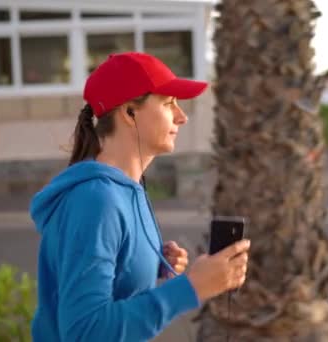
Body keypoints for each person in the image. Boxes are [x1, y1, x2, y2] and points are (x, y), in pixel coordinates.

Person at [29, 52, 250, 342]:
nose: (181, 117)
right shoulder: (96, 201)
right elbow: (85, 332)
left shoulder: (127, 190)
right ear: (129, 112)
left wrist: (150, 260)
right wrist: (191, 287)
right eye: (169, 103)